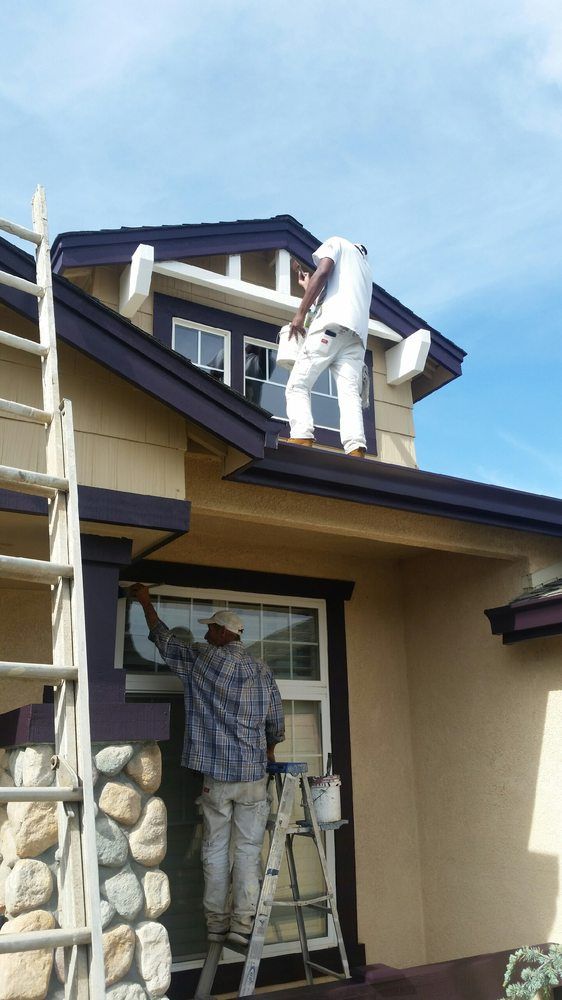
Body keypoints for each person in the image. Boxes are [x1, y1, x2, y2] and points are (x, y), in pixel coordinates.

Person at [128, 584, 285, 948]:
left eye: (210, 628)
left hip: (217, 778)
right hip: (253, 777)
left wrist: (145, 601)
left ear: (223, 633)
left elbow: (163, 639)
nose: (204, 633)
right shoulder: (263, 672)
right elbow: (276, 723)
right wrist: (270, 751)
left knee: (215, 847)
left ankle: (215, 924)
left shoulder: (202, 659)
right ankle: (243, 925)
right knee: (247, 850)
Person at [285, 237, 372, 457]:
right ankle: (355, 448)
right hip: (356, 337)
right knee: (349, 393)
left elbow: (323, 272)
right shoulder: (365, 271)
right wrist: (308, 287)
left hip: (331, 326)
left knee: (298, 385)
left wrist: (300, 313)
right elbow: (334, 294)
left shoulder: (337, 243)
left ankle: (302, 435)